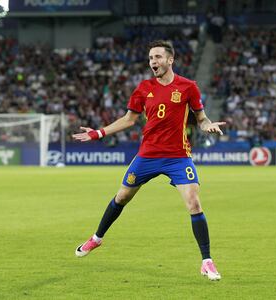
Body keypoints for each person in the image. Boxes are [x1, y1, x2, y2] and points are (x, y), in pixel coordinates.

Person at [72, 40, 226, 281]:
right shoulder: (144, 88)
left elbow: (201, 118)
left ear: (170, 60)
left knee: (194, 203)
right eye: (151, 58)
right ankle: (96, 238)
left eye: (157, 57)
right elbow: (128, 119)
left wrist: (209, 126)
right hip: (148, 155)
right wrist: (98, 132)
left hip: (178, 157)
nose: (153, 62)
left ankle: (206, 261)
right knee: (122, 197)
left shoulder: (188, 87)